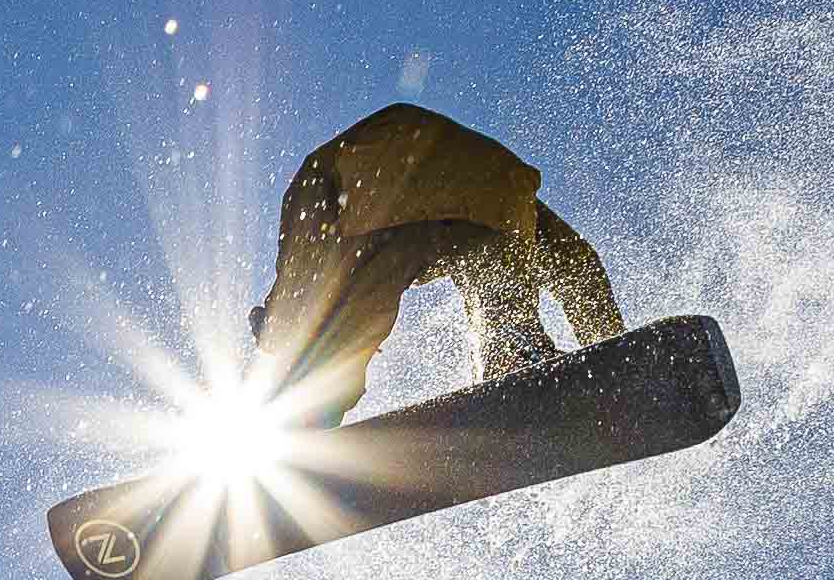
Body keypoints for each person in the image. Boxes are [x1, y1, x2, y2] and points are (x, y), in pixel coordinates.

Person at [240, 103, 625, 424]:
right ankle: (518, 348)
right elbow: (577, 265)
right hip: (494, 179)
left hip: (384, 183)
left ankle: (298, 436)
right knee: (502, 286)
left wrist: (274, 331)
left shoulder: (317, 188)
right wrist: (614, 350)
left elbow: (299, 274)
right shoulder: (479, 192)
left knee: (339, 346)